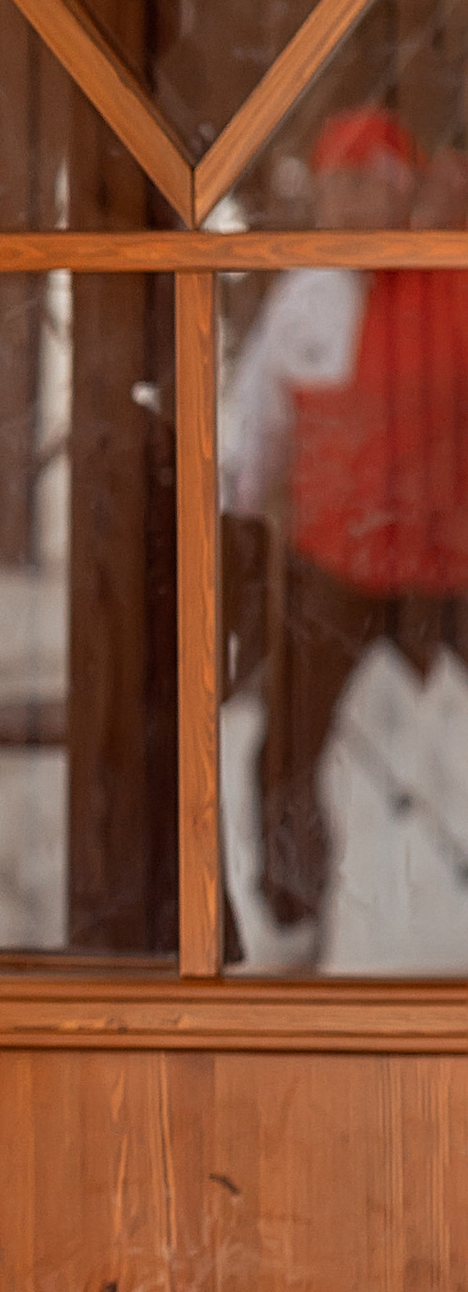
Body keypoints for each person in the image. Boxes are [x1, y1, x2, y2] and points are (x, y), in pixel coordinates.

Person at [219, 104, 468, 936]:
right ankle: (294, 927)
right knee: (283, 752)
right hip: (338, 564)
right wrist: (241, 535)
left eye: (372, 188)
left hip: (455, 566)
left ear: (408, 195)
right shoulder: (302, 300)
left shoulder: (455, 281)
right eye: (337, 189)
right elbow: (259, 431)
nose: (352, 208)